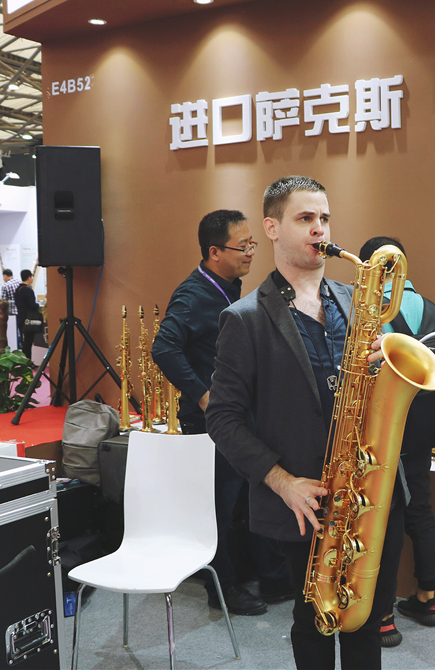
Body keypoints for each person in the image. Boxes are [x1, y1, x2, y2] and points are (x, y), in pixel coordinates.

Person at [207, 176, 399, 669]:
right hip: (306, 501)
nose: (320, 229)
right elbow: (222, 418)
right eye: (305, 218)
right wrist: (282, 481)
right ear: (272, 228)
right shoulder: (244, 318)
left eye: (325, 218)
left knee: (368, 621)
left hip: (368, 490)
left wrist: (385, 364)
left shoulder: (358, 301)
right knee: (314, 620)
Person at [151, 210, 291, 616]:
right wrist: (203, 396)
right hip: (210, 423)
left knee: (255, 496)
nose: (251, 252)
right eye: (242, 246)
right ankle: (222, 589)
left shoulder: (230, 288)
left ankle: (273, 578)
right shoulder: (193, 295)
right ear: (215, 252)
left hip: (241, 418)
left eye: (252, 244)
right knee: (219, 509)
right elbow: (164, 348)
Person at [358, 237, 435, 648]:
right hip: (421, 427)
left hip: (383, 430)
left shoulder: (367, 309)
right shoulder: (430, 308)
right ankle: (428, 600)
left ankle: (383, 618)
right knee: (421, 510)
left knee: (382, 520)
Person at [14, 269, 38, 360]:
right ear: (29, 278)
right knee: (29, 341)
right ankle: (28, 360)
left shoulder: (18, 290)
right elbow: (32, 305)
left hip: (20, 318)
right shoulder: (28, 290)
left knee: (24, 342)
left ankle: (24, 360)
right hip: (29, 319)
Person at [0, 268, 22, 347]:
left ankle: (15, 345)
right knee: (21, 330)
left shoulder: (5, 286)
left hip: (12, 312)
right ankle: (21, 345)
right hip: (21, 310)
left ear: (5, 276)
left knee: (13, 330)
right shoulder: (19, 282)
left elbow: (3, 301)